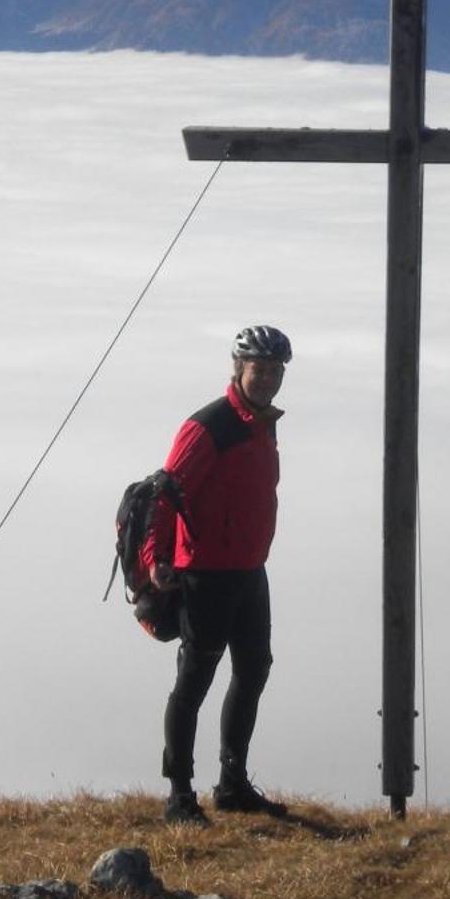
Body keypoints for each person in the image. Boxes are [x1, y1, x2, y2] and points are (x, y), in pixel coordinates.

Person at [143, 324, 292, 823]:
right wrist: (156, 560)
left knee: (253, 670)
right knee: (195, 681)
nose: (267, 378)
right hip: (205, 574)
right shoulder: (210, 426)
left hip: (250, 572)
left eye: (275, 371)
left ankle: (232, 785)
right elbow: (166, 492)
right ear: (238, 368)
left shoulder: (262, 423)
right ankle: (179, 795)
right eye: (259, 369)